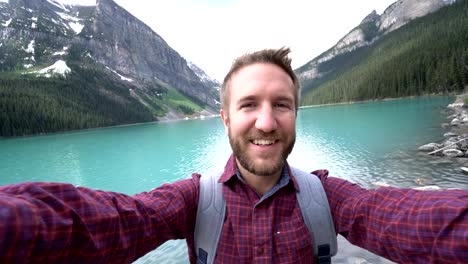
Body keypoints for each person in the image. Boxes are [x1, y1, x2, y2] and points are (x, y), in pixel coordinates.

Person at [0, 48, 467, 264]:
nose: (266, 122)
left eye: (281, 104)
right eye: (248, 105)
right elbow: (108, 222)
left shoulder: (328, 198)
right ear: (225, 117)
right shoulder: (192, 201)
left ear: (296, 113)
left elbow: (402, 217)